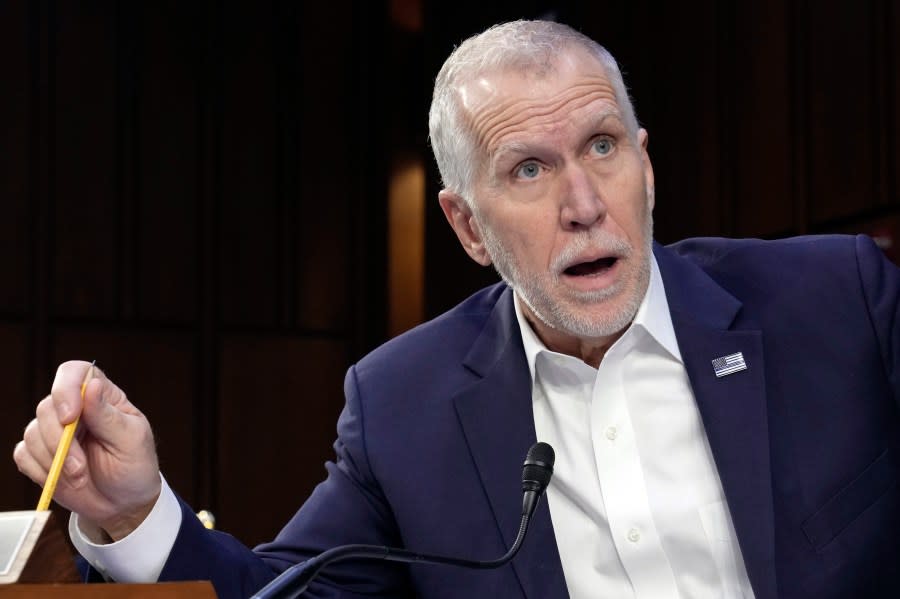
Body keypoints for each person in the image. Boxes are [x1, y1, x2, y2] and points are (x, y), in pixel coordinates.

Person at [13, 19, 900, 599]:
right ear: (467, 226)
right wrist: (135, 513)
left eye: (601, 147)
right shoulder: (406, 406)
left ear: (647, 166)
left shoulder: (835, 302)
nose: (585, 203)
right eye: (529, 169)